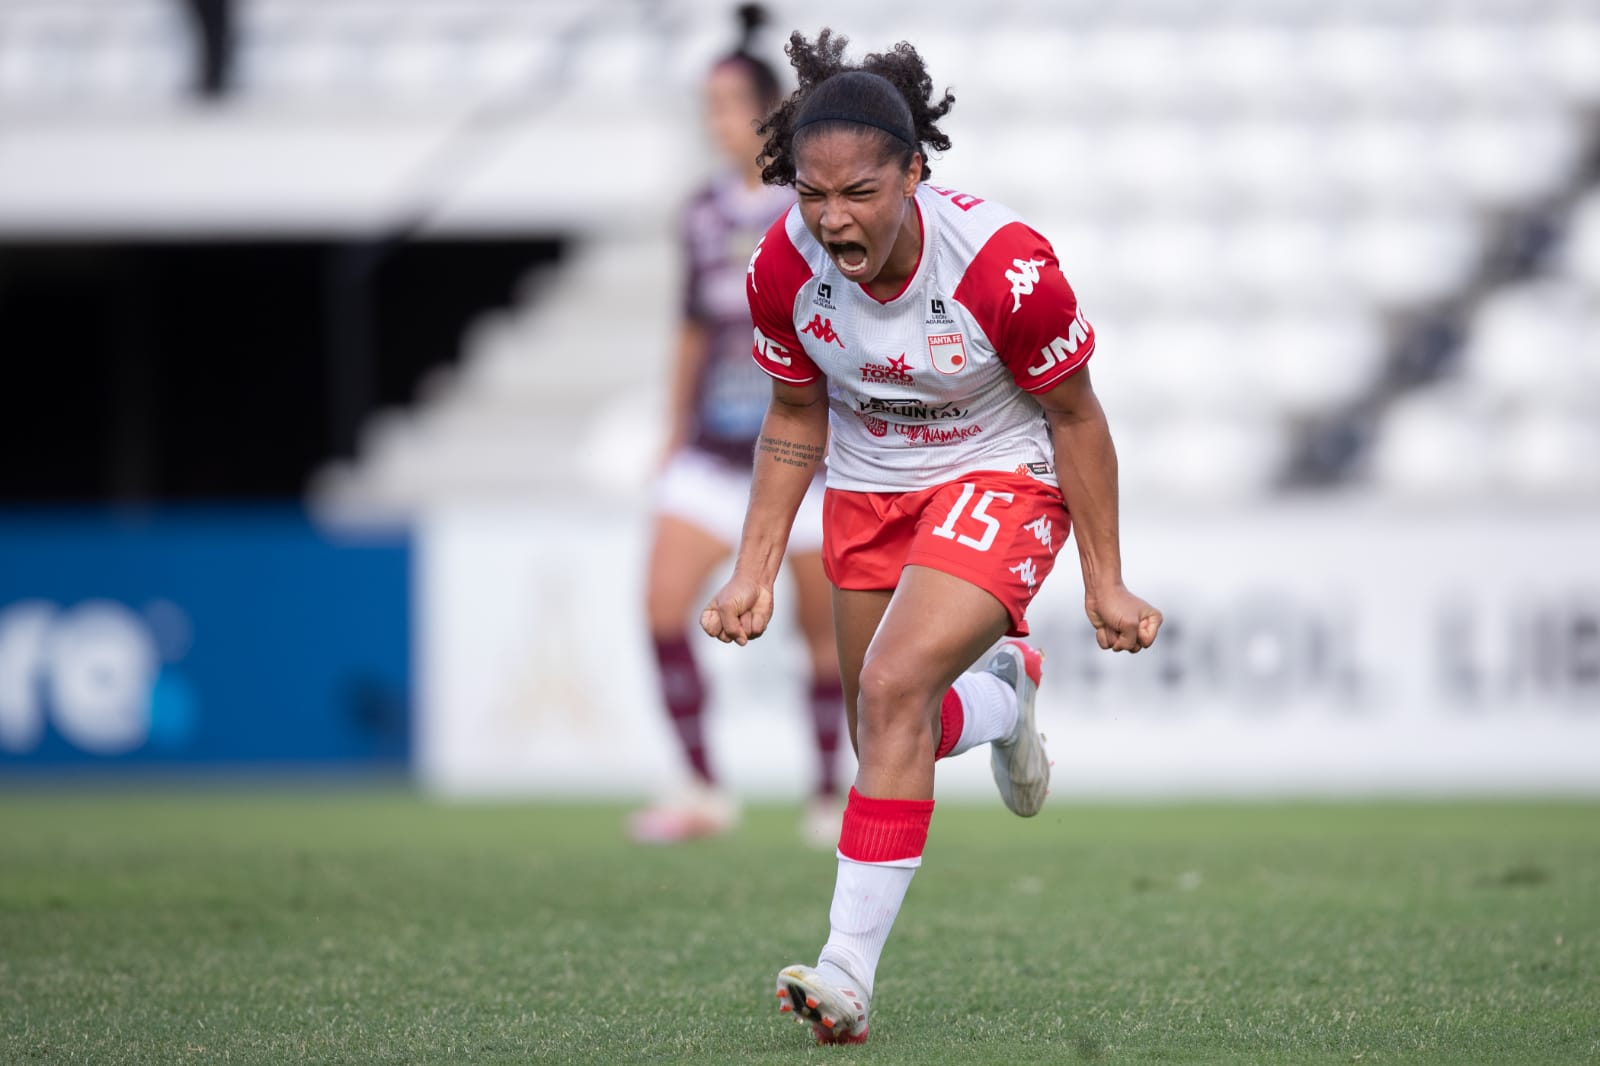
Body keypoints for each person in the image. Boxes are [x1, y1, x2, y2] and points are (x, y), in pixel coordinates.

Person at [700, 28, 1163, 1045]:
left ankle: (844, 971)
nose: (832, 218)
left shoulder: (1007, 268)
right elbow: (791, 415)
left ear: (914, 170)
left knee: (888, 685)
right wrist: (754, 569)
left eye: (859, 192)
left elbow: (1078, 417)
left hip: (999, 468)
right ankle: (1002, 700)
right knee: (885, 733)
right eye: (812, 196)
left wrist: (1106, 581)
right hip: (867, 485)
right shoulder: (781, 264)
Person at [628, 6, 848, 847]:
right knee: (659, 606)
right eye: (707, 108)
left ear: (768, 110)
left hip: (807, 454)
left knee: (819, 635)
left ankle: (829, 794)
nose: (714, 122)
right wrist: (671, 427)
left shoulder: (813, 205)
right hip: (716, 451)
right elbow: (691, 325)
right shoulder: (700, 213)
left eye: (726, 105)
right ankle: (700, 786)